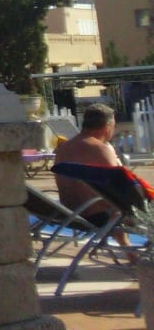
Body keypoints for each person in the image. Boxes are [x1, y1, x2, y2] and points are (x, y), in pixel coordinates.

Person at [53, 103, 130, 246]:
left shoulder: (63, 149)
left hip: (71, 213)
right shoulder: (101, 149)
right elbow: (122, 188)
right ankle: (132, 255)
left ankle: (131, 254)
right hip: (98, 215)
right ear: (108, 126)